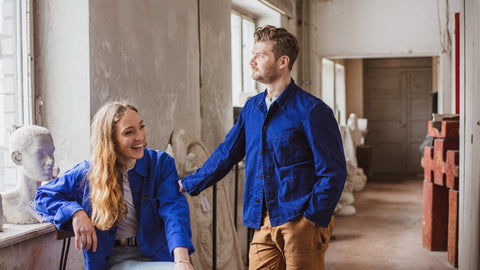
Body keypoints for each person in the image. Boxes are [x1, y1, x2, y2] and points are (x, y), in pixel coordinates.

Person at [179, 25, 347, 270]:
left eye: (260, 55)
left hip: (299, 219)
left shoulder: (312, 110)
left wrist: (311, 218)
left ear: (282, 62)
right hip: (262, 221)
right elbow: (227, 153)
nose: (251, 61)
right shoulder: (251, 108)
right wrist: (188, 184)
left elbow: (333, 171)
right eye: (252, 54)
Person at [35, 101, 195, 270]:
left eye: (141, 127)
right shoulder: (88, 173)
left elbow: (174, 212)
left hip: (157, 254)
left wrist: (182, 261)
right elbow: (43, 197)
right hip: (114, 260)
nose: (140, 136)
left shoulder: (160, 164)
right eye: (129, 132)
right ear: (111, 139)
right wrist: (76, 212)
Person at [2, 125, 55, 224]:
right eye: (39, 154)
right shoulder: (5, 204)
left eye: (51, 153)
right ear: (17, 158)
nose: (50, 161)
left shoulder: (52, 199)